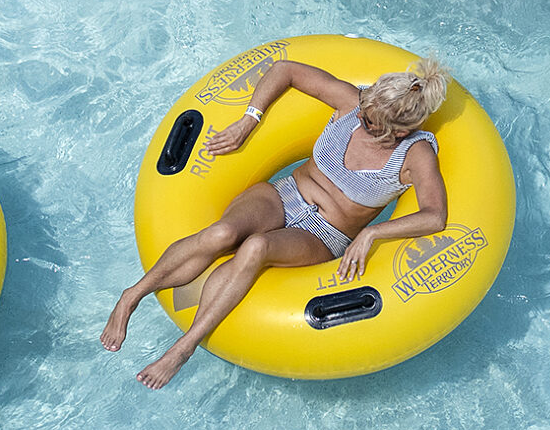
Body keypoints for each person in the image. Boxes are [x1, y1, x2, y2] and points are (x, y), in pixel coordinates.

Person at [104, 55, 454, 389]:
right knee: (222, 232)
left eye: (369, 121)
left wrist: (372, 232)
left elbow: (434, 216)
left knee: (257, 247)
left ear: (398, 131)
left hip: (323, 234)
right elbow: (285, 68)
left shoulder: (415, 155)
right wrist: (249, 119)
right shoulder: (354, 104)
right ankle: (132, 296)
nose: (360, 116)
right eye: (363, 108)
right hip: (284, 193)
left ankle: (184, 347)